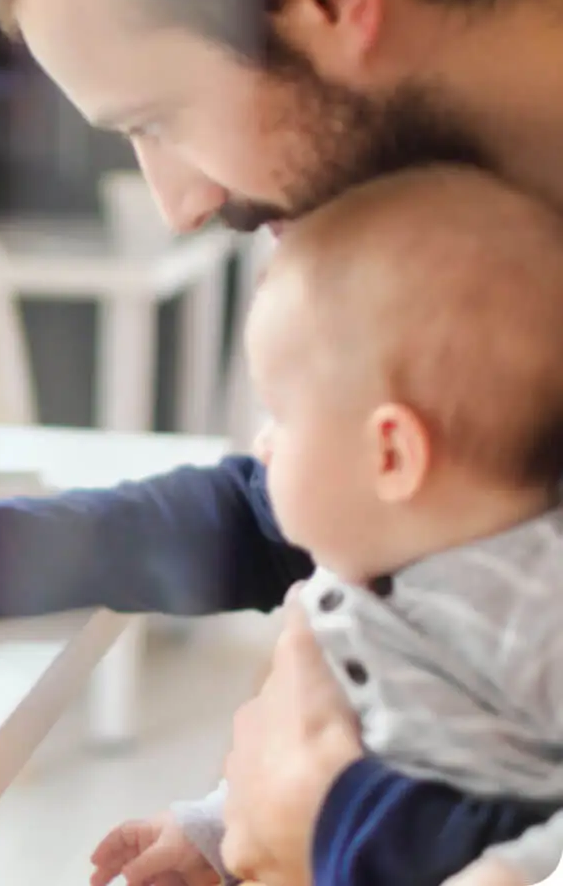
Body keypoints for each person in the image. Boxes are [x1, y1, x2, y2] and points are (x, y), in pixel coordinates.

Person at [0, 0, 563, 882]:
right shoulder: (486, 238)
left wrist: (331, 826)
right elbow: (277, 519)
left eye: (159, 118)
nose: (180, 205)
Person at [89, 165, 563, 886]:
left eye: (282, 414)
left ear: (392, 454)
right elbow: (308, 755)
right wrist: (211, 830)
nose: (263, 446)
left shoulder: (531, 598)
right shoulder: (356, 584)